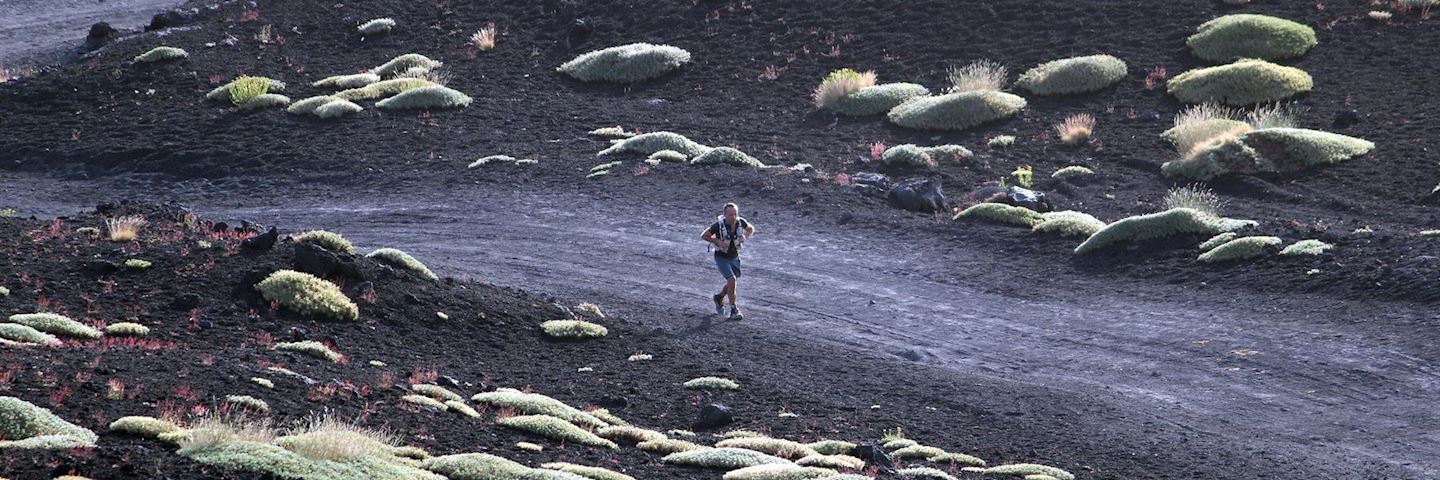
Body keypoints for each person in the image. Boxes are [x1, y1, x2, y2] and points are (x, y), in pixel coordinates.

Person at [700, 203, 755, 320]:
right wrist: (716, 241)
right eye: (730, 215)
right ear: (725, 215)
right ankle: (734, 309)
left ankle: (719, 297)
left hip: (734, 257)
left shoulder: (741, 223)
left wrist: (745, 236)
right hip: (721, 258)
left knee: (732, 282)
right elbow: (704, 235)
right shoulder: (718, 226)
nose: (733, 217)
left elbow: (750, 229)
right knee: (732, 279)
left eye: (735, 214)